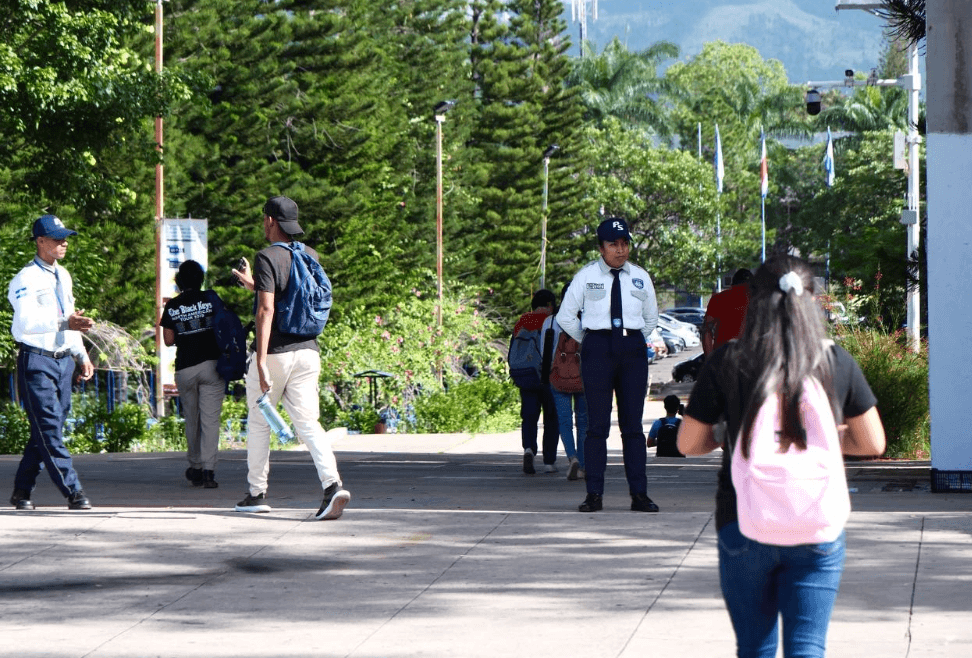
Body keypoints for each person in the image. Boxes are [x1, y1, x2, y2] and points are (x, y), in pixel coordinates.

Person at [677, 255, 886, 658]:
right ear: (811, 301)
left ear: (753, 300)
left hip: (743, 519)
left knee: (755, 648)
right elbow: (873, 442)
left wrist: (732, 437)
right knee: (808, 648)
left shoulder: (728, 360)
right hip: (816, 523)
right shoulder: (835, 361)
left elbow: (688, 443)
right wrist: (818, 439)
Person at [231, 196, 350, 519]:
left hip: (276, 355)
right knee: (309, 423)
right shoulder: (309, 255)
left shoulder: (266, 257)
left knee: (259, 423)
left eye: (264, 219)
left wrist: (260, 358)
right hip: (308, 351)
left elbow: (267, 309)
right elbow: (290, 297)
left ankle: (256, 494)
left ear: (271, 220)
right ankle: (332, 485)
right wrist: (252, 286)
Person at [557, 217, 660, 513]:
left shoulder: (640, 277)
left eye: (624, 243)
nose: (620, 249)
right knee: (597, 427)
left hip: (632, 353)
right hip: (598, 350)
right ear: (601, 248)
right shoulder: (586, 276)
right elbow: (566, 316)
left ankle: (639, 495)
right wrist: (589, 339)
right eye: (613, 244)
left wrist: (633, 341)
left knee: (633, 428)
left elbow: (651, 318)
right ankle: (594, 495)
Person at [8, 215, 96, 511]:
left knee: (49, 430)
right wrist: (64, 322)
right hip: (37, 361)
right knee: (48, 427)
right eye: (57, 238)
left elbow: (71, 319)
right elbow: (25, 323)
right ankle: (74, 491)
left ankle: (21, 491)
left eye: (65, 237)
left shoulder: (64, 275)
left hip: (63, 364)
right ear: (40, 242)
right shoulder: (25, 279)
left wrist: (81, 355)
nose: (64, 242)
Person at [159, 260, 226, 489]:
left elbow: (168, 340)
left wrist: (185, 332)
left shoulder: (173, 305)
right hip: (212, 366)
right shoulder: (211, 298)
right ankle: (209, 472)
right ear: (201, 279)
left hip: (185, 368)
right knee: (210, 421)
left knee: (192, 420)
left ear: (179, 281)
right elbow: (225, 325)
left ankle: (195, 467)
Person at [510, 289, 560, 474]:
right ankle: (549, 461)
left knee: (529, 416)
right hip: (550, 377)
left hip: (527, 375)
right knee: (551, 419)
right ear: (550, 305)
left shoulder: (522, 322)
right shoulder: (553, 322)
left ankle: (529, 449)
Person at [542, 283, 587, 480]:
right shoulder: (589, 321)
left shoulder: (551, 322)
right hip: (584, 377)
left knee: (564, 420)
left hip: (558, 378)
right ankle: (584, 465)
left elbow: (544, 351)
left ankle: (572, 457)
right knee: (584, 421)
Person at [702, 267, 752, 356]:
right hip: (751, 358)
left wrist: (709, 358)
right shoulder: (760, 299)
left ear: (732, 284)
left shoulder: (718, 299)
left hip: (722, 356)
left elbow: (706, 331)